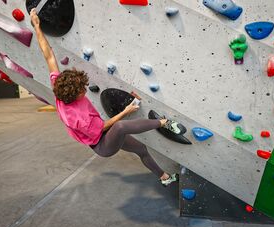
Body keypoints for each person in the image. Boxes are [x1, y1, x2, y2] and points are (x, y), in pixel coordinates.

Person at [30, 9, 178, 186]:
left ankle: (165, 178)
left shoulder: (58, 85)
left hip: (104, 133)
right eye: (82, 91)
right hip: (103, 145)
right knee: (121, 126)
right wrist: (126, 111)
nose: (85, 91)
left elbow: (48, 55)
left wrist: (37, 26)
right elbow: (103, 127)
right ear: (73, 95)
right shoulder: (78, 118)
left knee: (141, 149)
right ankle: (164, 123)